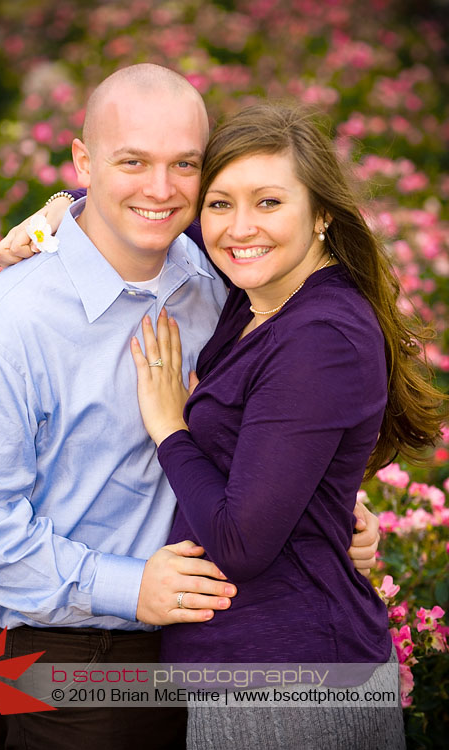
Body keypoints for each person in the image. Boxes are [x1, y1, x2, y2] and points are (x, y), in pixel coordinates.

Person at [0, 64, 379, 750]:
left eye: (184, 166)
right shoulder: (9, 324)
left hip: (204, 645)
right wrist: (129, 587)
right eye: (131, 161)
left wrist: (320, 497)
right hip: (62, 655)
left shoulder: (210, 275)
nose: (161, 190)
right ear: (83, 161)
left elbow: (276, 411)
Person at [127, 103, 446, 748]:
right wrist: (61, 209)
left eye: (269, 202)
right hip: (251, 677)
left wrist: (169, 429)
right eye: (220, 204)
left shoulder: (318, 335)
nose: (239, 228)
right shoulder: (258, 295)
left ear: (322, 213)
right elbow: (145, 200)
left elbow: (243, 543)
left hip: (294, 691)